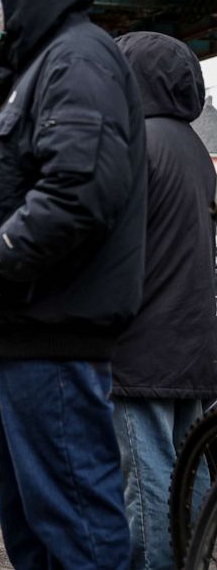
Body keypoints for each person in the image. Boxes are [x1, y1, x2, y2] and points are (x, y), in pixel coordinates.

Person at [0, 0, 146, 568]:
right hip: (23, 333)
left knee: (76, 534)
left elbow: (78, 189)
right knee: (38, 534)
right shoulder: (49, 65)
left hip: (48, 333)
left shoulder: (78, 57)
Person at [110, 31, 217, 570]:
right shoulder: (194, 149)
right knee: (188, 471)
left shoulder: (134, 145)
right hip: (192, 338)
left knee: (148, 478)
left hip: (142, 344)